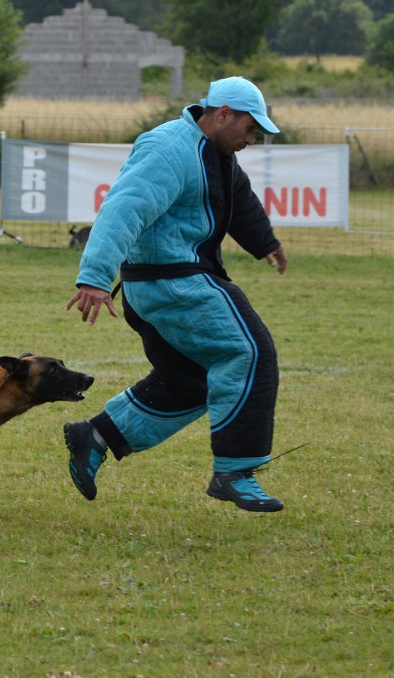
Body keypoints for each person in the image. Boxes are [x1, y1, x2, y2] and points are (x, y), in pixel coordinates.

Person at [63, 76, 289, 513]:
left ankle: (97, 436)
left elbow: (238, 199)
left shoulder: (217, 153)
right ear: (223, 114)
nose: (252, 138)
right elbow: (123, 208)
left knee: (192, 380)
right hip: (174, 282)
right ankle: (235, 472)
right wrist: (94, 276)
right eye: (250, 128)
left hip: (165, 282)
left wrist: (265, 243)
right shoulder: (168, 148)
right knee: (248, 351)